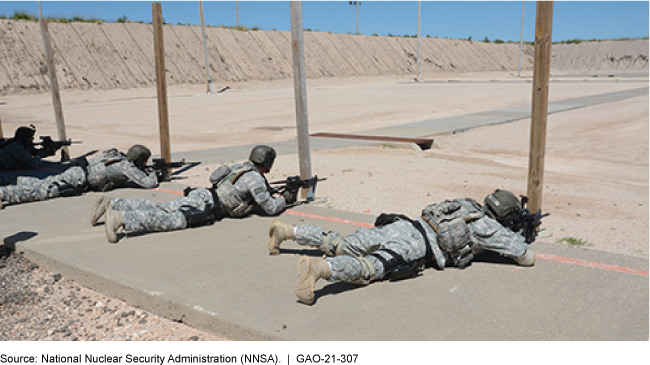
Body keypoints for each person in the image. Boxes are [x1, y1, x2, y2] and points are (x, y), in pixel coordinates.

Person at [268, 190, 541, 305]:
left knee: (341, 243)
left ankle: (289, 231)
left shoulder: (464, 203)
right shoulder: (487, 227)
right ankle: (321, 269)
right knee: (369, 268)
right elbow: (526, 257)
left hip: (403, 226)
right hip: (414, 247)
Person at [93, 145, 293, 244]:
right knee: (170, 220)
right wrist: (286, 198)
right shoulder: (256, 179)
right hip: (208, 207)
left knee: (163, 207)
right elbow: (270, 208)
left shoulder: (240, 167)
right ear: (267, 162)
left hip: (202, 195)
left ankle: (114, 202)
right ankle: (121, 218)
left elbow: (214, 178)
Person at [0, 145, 158, 210]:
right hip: (78, 179)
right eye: (143, 160)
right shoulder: (126, 166)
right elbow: (148, 183)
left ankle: (7, 181)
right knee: (43, 191)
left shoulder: (115, 155)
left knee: (43, 183)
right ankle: (4, 194)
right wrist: (155, 173)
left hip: (77, 171)